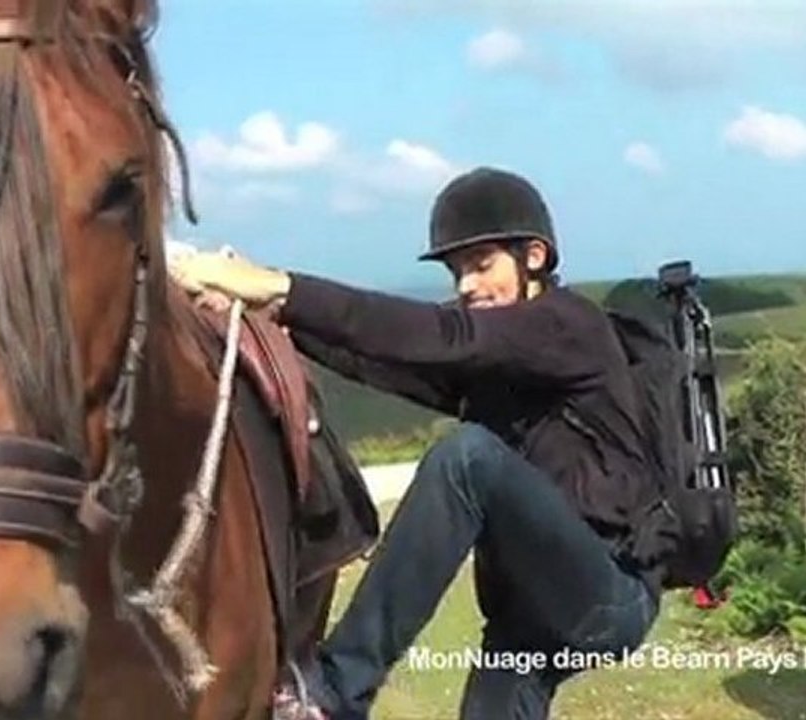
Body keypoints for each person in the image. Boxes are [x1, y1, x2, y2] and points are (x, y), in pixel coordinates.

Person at [169, 167, 676, 720]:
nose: (465, 285)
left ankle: (340, 688)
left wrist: (280, 286)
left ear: (534, 257)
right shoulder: (504, 366)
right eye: (458, 270)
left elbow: (444, 337)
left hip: (607, 594)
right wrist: (280, 320)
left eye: (482, 266)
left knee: (466, 459)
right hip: (526, 617)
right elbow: (393, 359)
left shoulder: (566, 324)